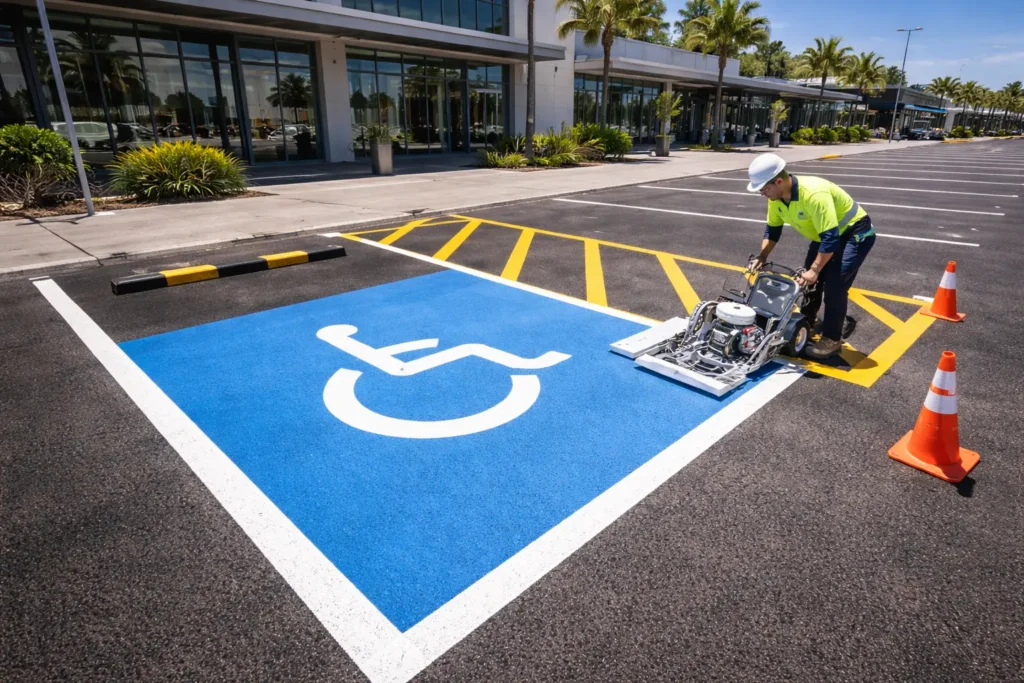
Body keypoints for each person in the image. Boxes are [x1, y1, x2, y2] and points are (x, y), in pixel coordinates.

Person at [744, 153, 876, 360]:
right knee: (808, 282)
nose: (762, 193)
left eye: (764, 188)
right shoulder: (776, 197)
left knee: (834, 286)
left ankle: (832, 339)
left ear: (779, 181)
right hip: (824, 235)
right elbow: (772, 231)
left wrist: (815, 270)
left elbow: (831, 239)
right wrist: (761, 257)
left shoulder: (813, 194)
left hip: (854, 234)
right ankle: (808, 321)